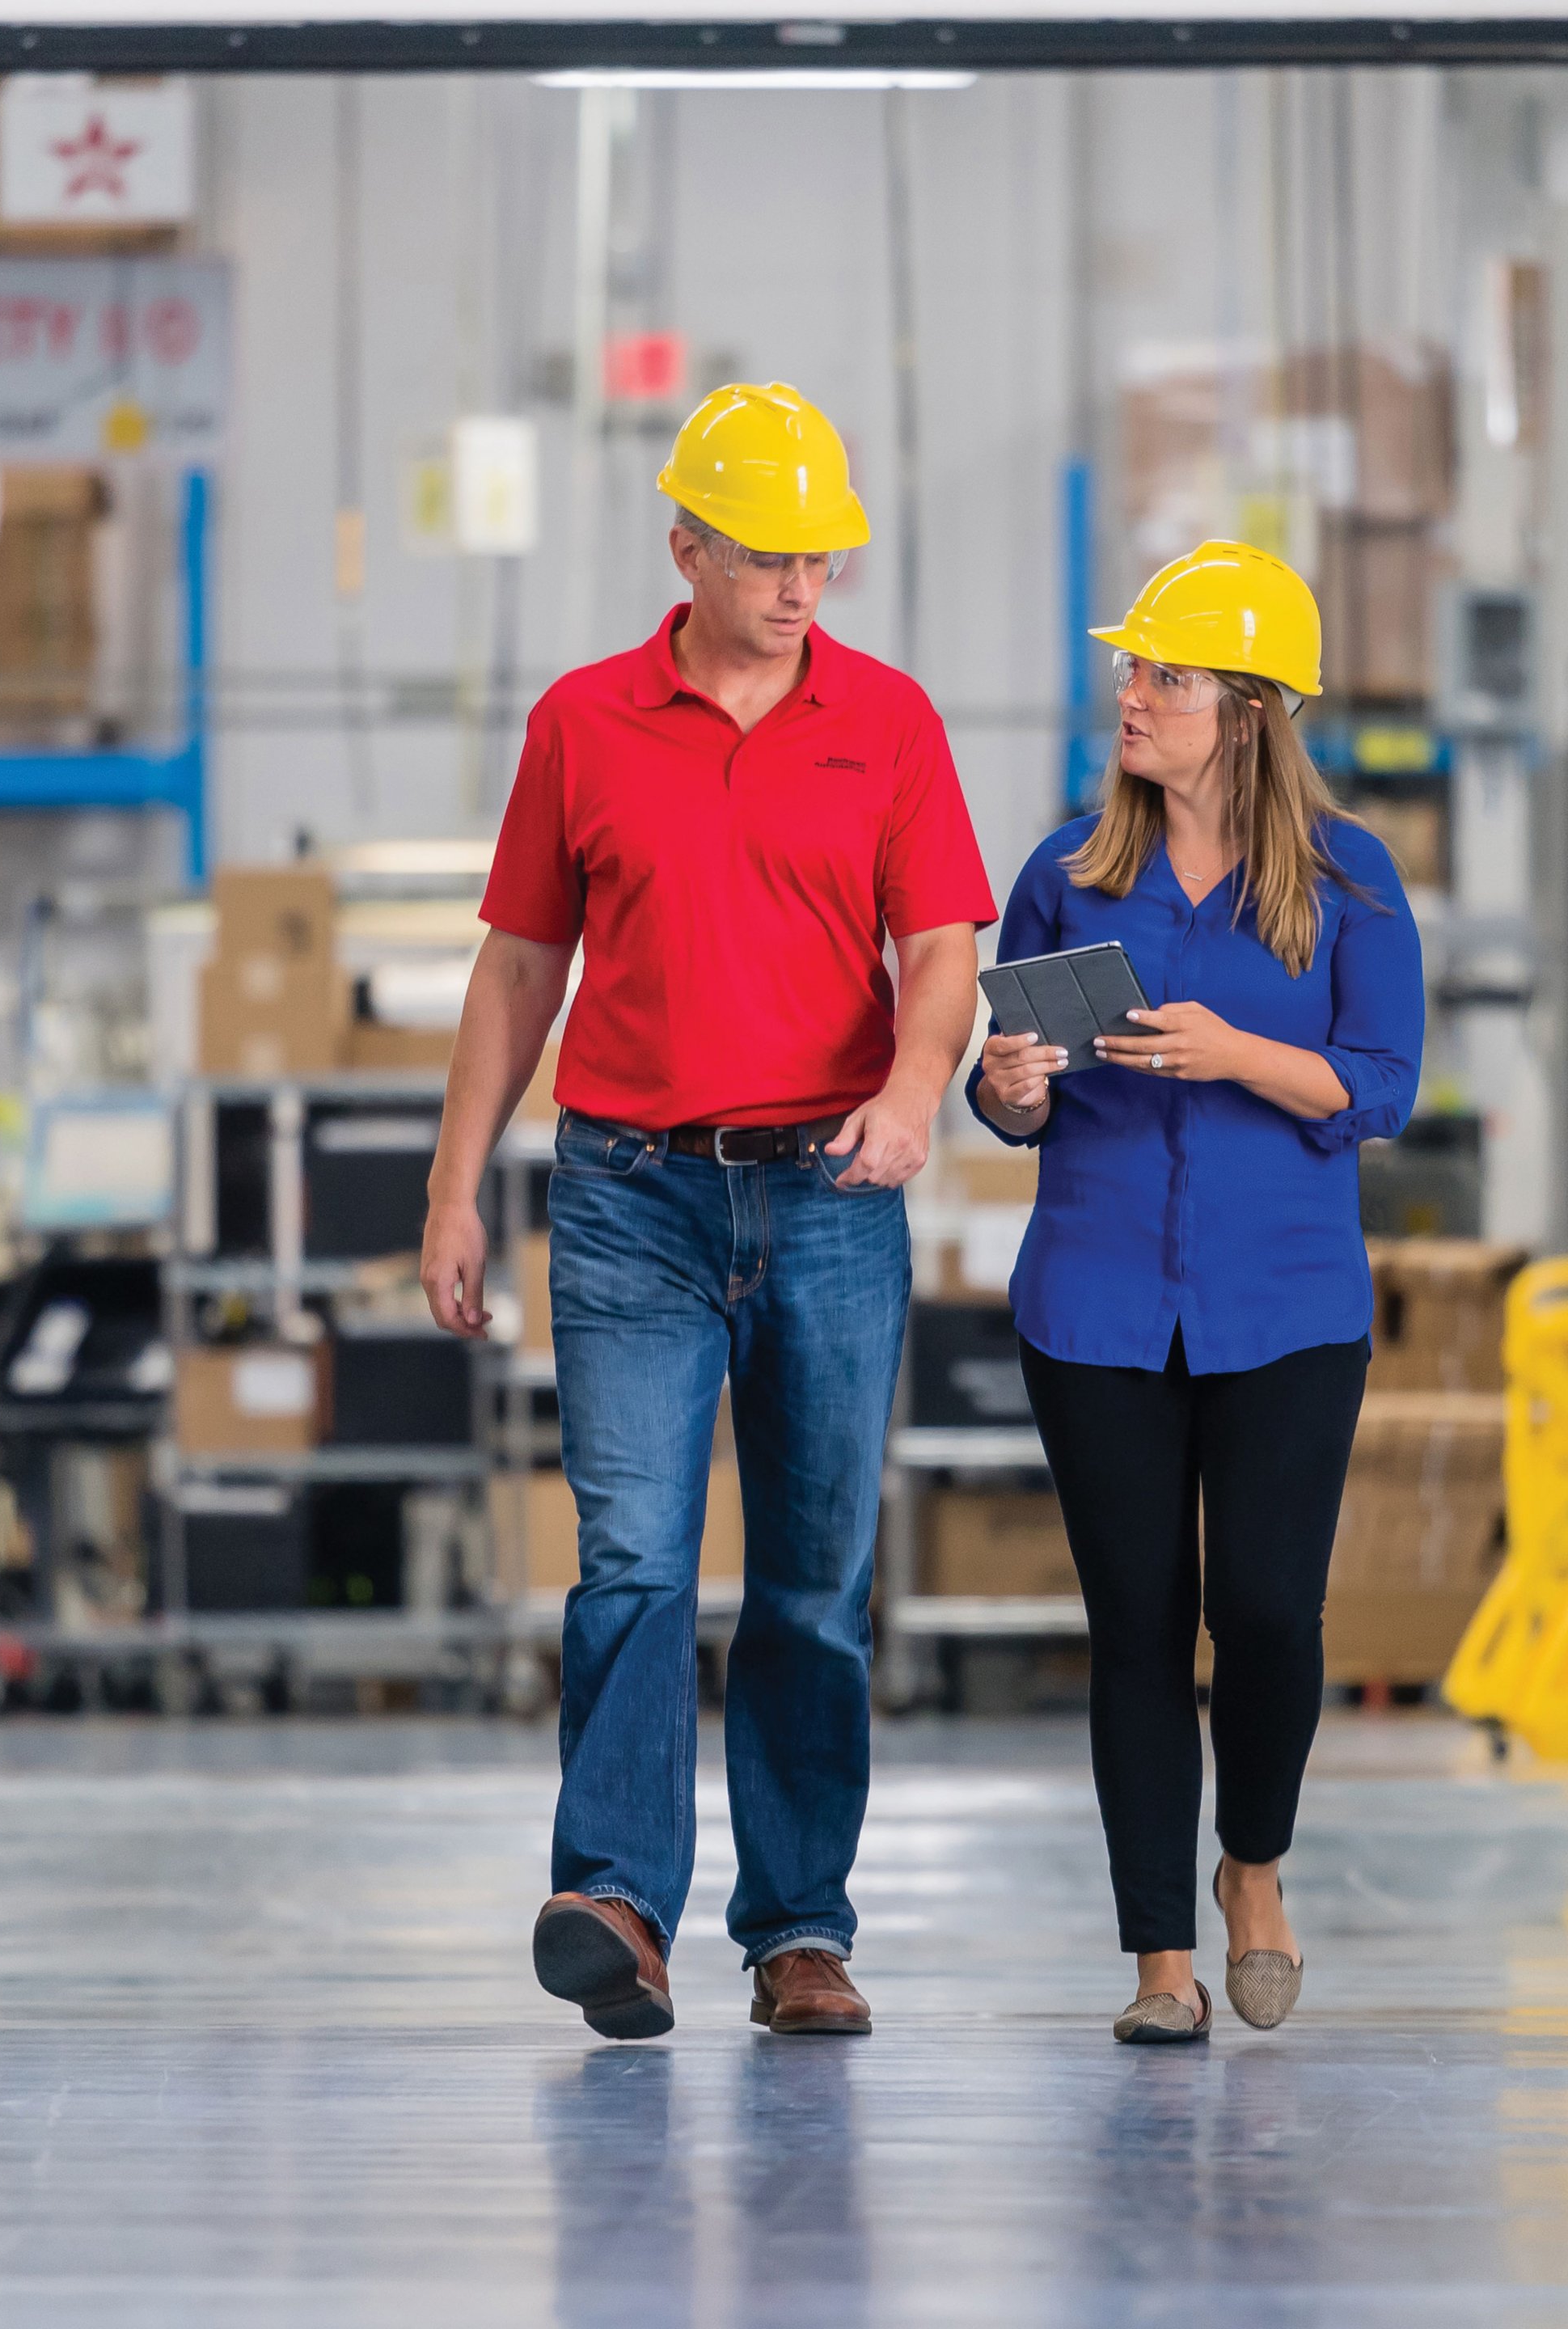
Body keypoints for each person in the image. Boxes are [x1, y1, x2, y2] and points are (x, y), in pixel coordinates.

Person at [423, 382, 993, 2043]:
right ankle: (614, 1902)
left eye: (820, 555)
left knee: (813, 1582)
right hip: (627, 1201)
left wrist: (909, 1089)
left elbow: (940, 945)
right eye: (764, 556)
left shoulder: (886, 722)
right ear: (684, 547)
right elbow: (520, 964)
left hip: (828, 1196)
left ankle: (798, 1930)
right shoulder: (583, 723)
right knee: (632, 1565)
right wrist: (455, 1187)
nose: (800, 586)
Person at [967, 541, 1421, 2044]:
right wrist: (1013, 1086)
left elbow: (1381, 1087)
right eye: (1133, 670)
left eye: (1164, 673)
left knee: (1272, 1617)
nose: (1132, 695)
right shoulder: (1066, 875)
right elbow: (1007, 1095)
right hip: (1096, 1303)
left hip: (1285, 1304)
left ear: (1247, 709)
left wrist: (1236, 1053)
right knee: (1139, 1628)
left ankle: (1255, 1872)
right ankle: (1162, 1957)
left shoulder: (1351, 883)